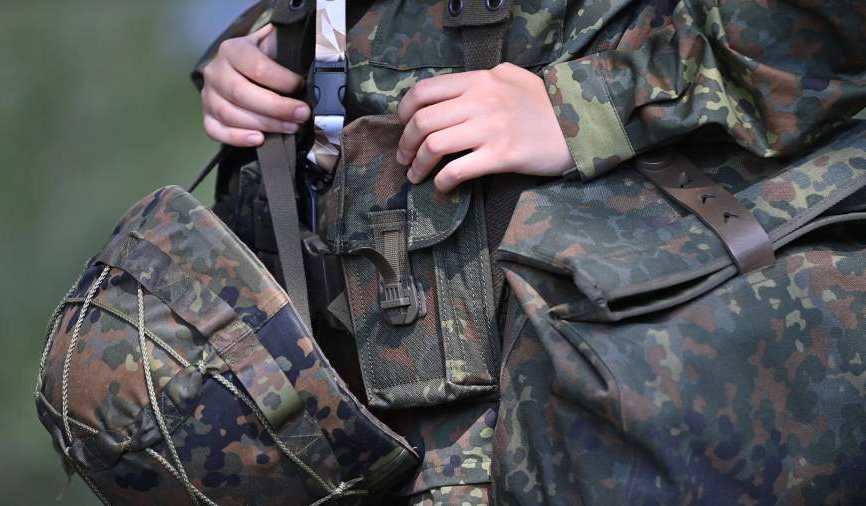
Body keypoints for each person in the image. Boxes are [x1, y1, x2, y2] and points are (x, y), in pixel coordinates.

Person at [193, 1, 866, 504]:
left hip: (613, 396)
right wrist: (278, 42)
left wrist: (590, 104)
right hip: (360, 407)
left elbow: (822, 30)